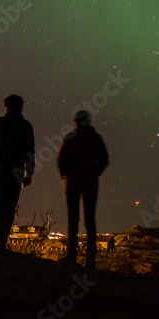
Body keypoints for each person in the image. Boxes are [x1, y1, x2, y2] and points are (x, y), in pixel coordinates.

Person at [57, 110, 108, 268]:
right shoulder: (97, 139)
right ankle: (90, 260)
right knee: (90, 221)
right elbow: (105, 160)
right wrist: (94, 174)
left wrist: (65, 175)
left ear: (77, 122)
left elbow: (61, 159)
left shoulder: (71, 138)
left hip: (72, 183)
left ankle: (72, 256)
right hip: (91, 183)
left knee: (73, 220)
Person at [0, 94, 35, 249]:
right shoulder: (26, 126)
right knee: (9, 206)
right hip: (16, 172)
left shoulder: (0, 124)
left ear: (6, 106)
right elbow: (30, 152)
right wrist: (29, 174)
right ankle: (2, 241)